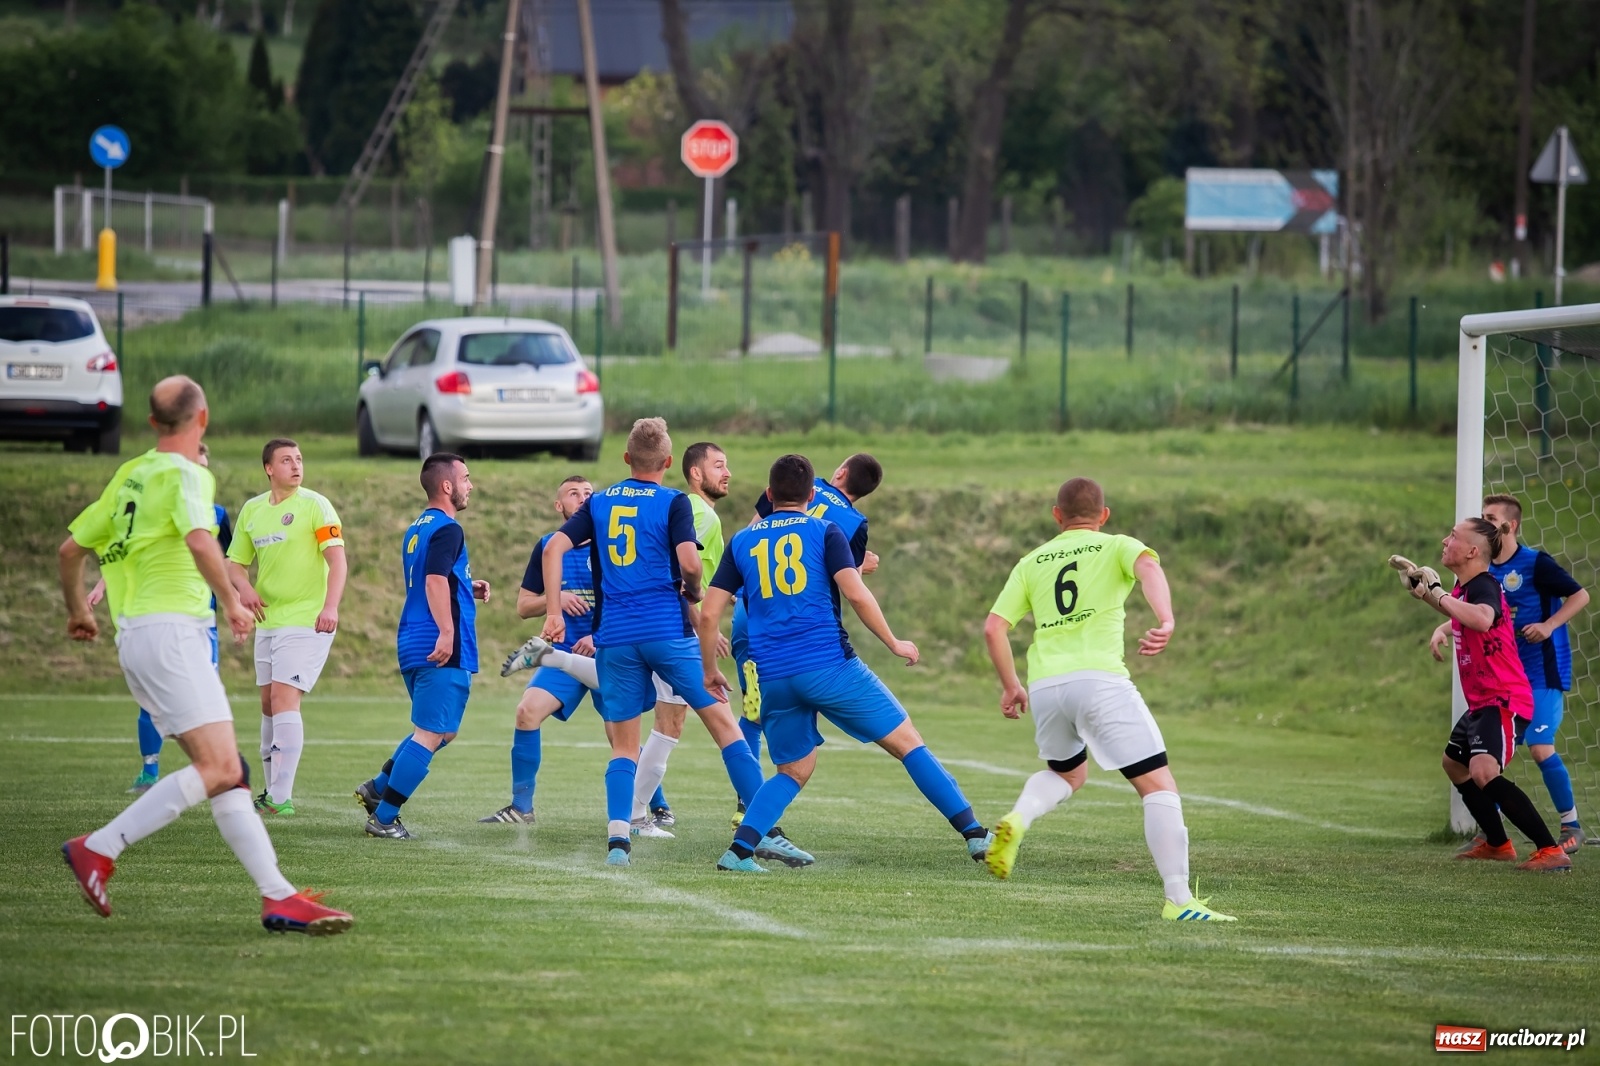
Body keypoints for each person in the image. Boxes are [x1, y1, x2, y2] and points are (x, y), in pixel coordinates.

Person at [58, 375, 352, 934]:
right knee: (221, 767)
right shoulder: (187, 472)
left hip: (136, 638)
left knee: (228, 773)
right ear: (204, 419)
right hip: (173, 635)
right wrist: (232, 602)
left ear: (151, 424)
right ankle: (98, 847)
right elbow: (199, 539)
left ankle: (278, 896)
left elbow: (71, 547)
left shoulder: (131, 474)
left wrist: (79, 609)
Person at [699, 453, 992, 873]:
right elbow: (855, 593)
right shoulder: (826, 530)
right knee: (907, 742)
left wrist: (711, 669)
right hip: (828, 666)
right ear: (812, 493)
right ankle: (976, 834)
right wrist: (893, 641)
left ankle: (739, 851)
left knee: (794, 769)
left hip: (773, 675)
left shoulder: (742, 541)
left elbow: (710, 614)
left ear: (768, 495)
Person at [982, 477, 1237, 921]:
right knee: (1158, 786)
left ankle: (1018, 820)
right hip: (1100, 681)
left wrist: (1011, 685)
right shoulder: (1118, 544)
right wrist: (1166, 618)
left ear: (1056, 515)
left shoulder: (1032, 560)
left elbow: (993, 628)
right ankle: (1179, 900)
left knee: (1067, 775)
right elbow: (1150, 570)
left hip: (1046, 687)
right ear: (1103, 515)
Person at [537, 417, 774, 867]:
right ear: (668, 462)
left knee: (625, 745)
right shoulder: (673, 503)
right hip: (667, 631)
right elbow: (690, 564)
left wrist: (552, 612)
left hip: (616, 636)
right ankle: (765, 831)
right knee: (724, 725)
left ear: (626, 459)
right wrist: (695, 592)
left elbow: (554, 549)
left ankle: (618, 843)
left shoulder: (602, 500)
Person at [1395, 517, 1571, 872]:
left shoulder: (1484, 585)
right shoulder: (1467, 588)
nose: (1445, 540)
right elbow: (1459, 614)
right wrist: (1425, 592)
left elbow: (1482, 619)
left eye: (1453, 537)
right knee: (1455, 765)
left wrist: (1439, 592)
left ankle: (1551, 851)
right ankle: (1496, 843)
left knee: (1483, 770)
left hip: (1504, 698)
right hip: (1484, 700)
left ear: (1473, 550)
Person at [730, 453, 882, 826]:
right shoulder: (851, 521)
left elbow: (754, 530)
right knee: (774, 711)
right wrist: (864, 567)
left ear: (840, 472)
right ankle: (752, 808)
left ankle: (747, 803)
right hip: (801, 633)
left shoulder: (793, 487)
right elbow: (843, 580)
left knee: (754, 711)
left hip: (751, 614)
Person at [354, 453, 490, 839]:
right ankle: (384, 817)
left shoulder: (417, 528)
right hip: (438, 642)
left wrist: (466, 585)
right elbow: (433, 582)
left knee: (442, 731)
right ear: (447, 486)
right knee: (430, 733)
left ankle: (379, 787)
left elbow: (434, 578)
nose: (470, 485)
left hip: (412, 637)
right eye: (465, 478)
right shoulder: (449, 528)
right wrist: (447, 632)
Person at [90, 441, 230, 794]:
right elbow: (131, 552)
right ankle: (150, 769)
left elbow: (227, 561)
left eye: (203, 458)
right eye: (193, 457)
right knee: (152, 699)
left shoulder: (217, 514)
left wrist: (236, 599)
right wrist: (103, 583)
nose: (199, 464)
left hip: (202, 619)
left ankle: (213, 769)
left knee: (204, 695)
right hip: (158, 614)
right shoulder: (156, 506)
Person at [227, 438, 347, 817]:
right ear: (268, 468)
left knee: (283, 699)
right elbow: (234, 564)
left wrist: (330, 606)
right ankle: (270, 792)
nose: (296, 466)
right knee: (268, 703)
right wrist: (244, 590)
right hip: (269, 621)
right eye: (286, 460)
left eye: (298, 459)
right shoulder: (252, 510)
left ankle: (281, 797)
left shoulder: (316, 505)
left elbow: (339, 562)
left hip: (308, 619)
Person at [481, 475, 609, 824]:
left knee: (620, 735)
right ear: (559, 506)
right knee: (526, 712)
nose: (583, 498)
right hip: (565, 654)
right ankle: (522, 808)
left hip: (608, 653)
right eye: (573, 493)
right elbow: (523, 606)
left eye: (588, 493)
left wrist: (598, 637)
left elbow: (629, 602)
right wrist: (556, 600)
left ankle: (656, 808)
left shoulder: (611, 545)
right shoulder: (548, 547)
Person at [627, 441, 732, 838]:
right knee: (670, 723)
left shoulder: (697, 512)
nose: (727, 472)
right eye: (718, 465)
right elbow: (678, 574)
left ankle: (634, 814)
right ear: (694, 473)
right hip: (674, 631)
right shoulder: (698, 512)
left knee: (667, 720)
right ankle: (635, 816)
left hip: (657, 627)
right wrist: (705, 624)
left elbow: (700, 577)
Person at [1475, 494, 1590, 852]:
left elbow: (1580, 595)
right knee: (1493, 757)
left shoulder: (1535, 563)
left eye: (1490, 517)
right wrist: (1442, 630)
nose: (1484, 523)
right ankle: (1491, 835)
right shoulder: (1486, 571)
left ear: (1510, 526)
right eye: (1481, 516)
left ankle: (1571, 825)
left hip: (1542, 673)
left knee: (1540, 746)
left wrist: (1549, 624)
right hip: (1506, 679)